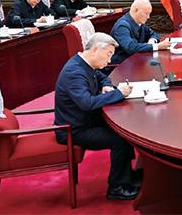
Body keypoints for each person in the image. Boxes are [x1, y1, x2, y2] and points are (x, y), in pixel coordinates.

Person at [53, 32, 140, 201]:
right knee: (121, 140)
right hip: (74, 129)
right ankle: (117, 187)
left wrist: (107, 85)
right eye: (108, 54)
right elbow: (87, 103)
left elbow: (101, 77)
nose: (109, 60)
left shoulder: (84, 63)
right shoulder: (74, 72)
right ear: (94, 50)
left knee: (126, 127)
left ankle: (127, 175)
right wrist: (119, 93)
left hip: (86, 119)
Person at [110, 0, 170, 66]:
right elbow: (131, 47)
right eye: (146, 13)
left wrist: (152, 40)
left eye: (149, 14)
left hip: (137, 61)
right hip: (121, 65)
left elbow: (154, 34)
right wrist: (156, 46)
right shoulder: (122, 26)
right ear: (136, 10)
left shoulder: (140, 23)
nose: (148, 17)